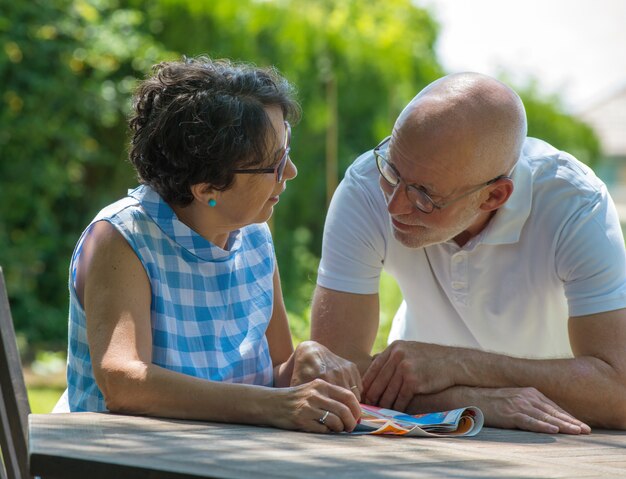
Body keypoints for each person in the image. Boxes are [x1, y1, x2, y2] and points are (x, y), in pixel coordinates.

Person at [55, 56, 362, 434]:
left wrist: (304, 360)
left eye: (287, 150)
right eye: (275, 164)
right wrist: (270, 406)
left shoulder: (253, 235)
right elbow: (123, 382)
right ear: (207, 189)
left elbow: (279, 372)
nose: (292, 172)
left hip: (222, 461)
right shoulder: (122, 238)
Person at [311, 72, 626, 434]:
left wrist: (457, 364)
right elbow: (331, 371)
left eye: (424, 196)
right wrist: (480, 401)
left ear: (494, 196)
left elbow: (618, 393)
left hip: (557, 437)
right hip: (423, 429)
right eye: (393, 171)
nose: (394, 205)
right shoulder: (367, 186)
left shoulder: (575, 205)